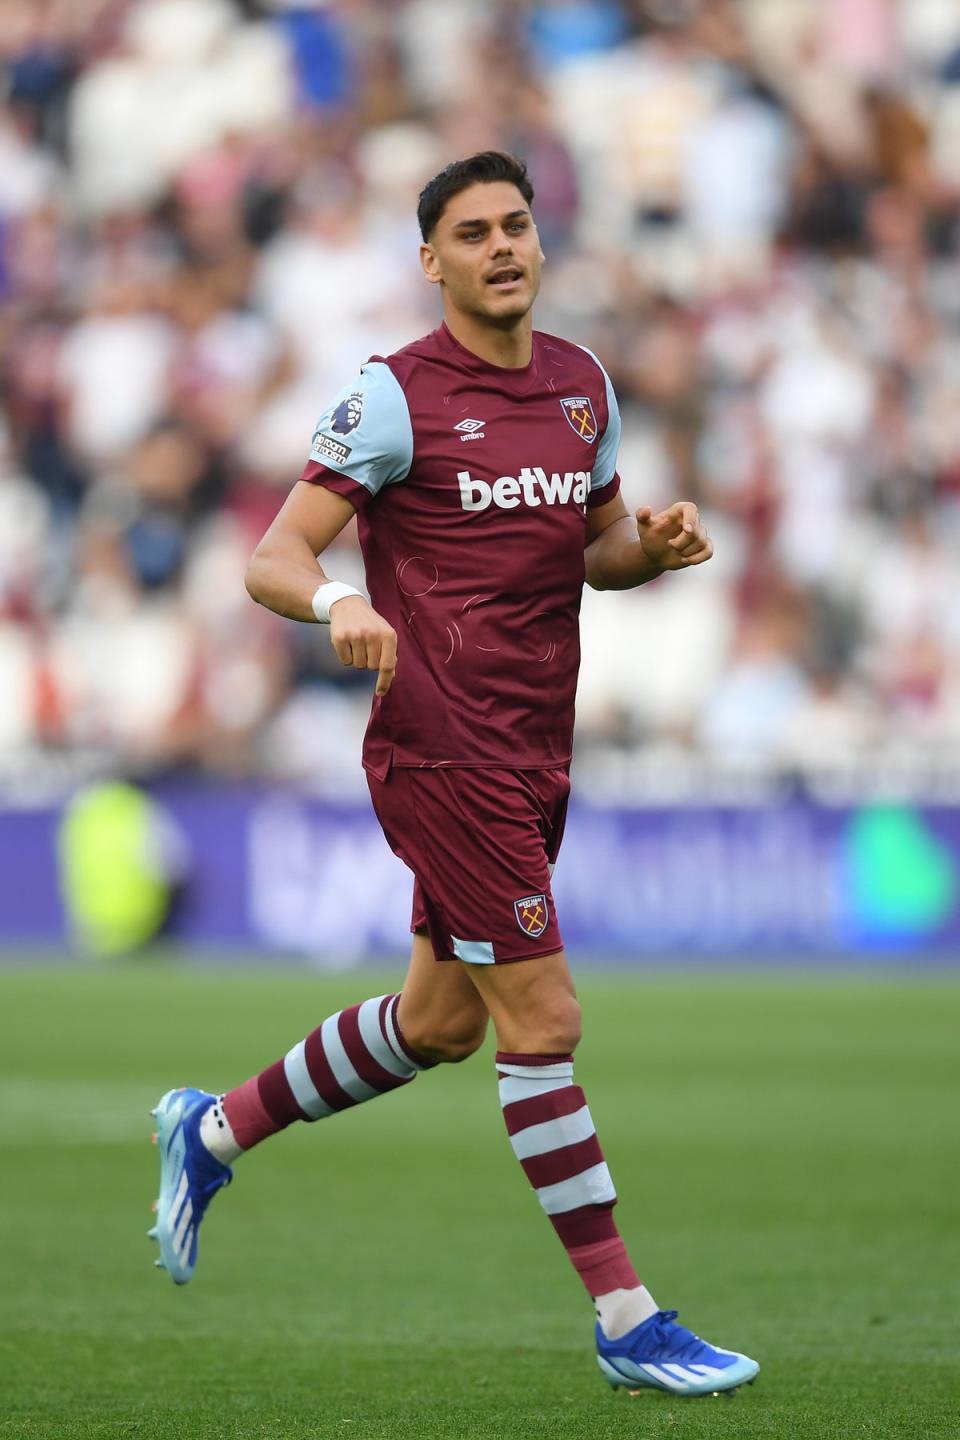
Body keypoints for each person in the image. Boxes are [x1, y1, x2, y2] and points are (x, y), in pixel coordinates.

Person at [148, 151, 759, 1399]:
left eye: (517, 225)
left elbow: (595, 548)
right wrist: (337, 602)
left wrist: (658, 548)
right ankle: (628, 1320)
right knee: (545, 1023)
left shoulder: (584, 387)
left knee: (437, 1023)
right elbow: (271, 556)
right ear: (431, 261)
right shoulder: (393, 396)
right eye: (471, 232)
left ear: (541, 242)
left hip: (538, 742)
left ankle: (210, 1130)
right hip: (441, 746)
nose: (501, 246)